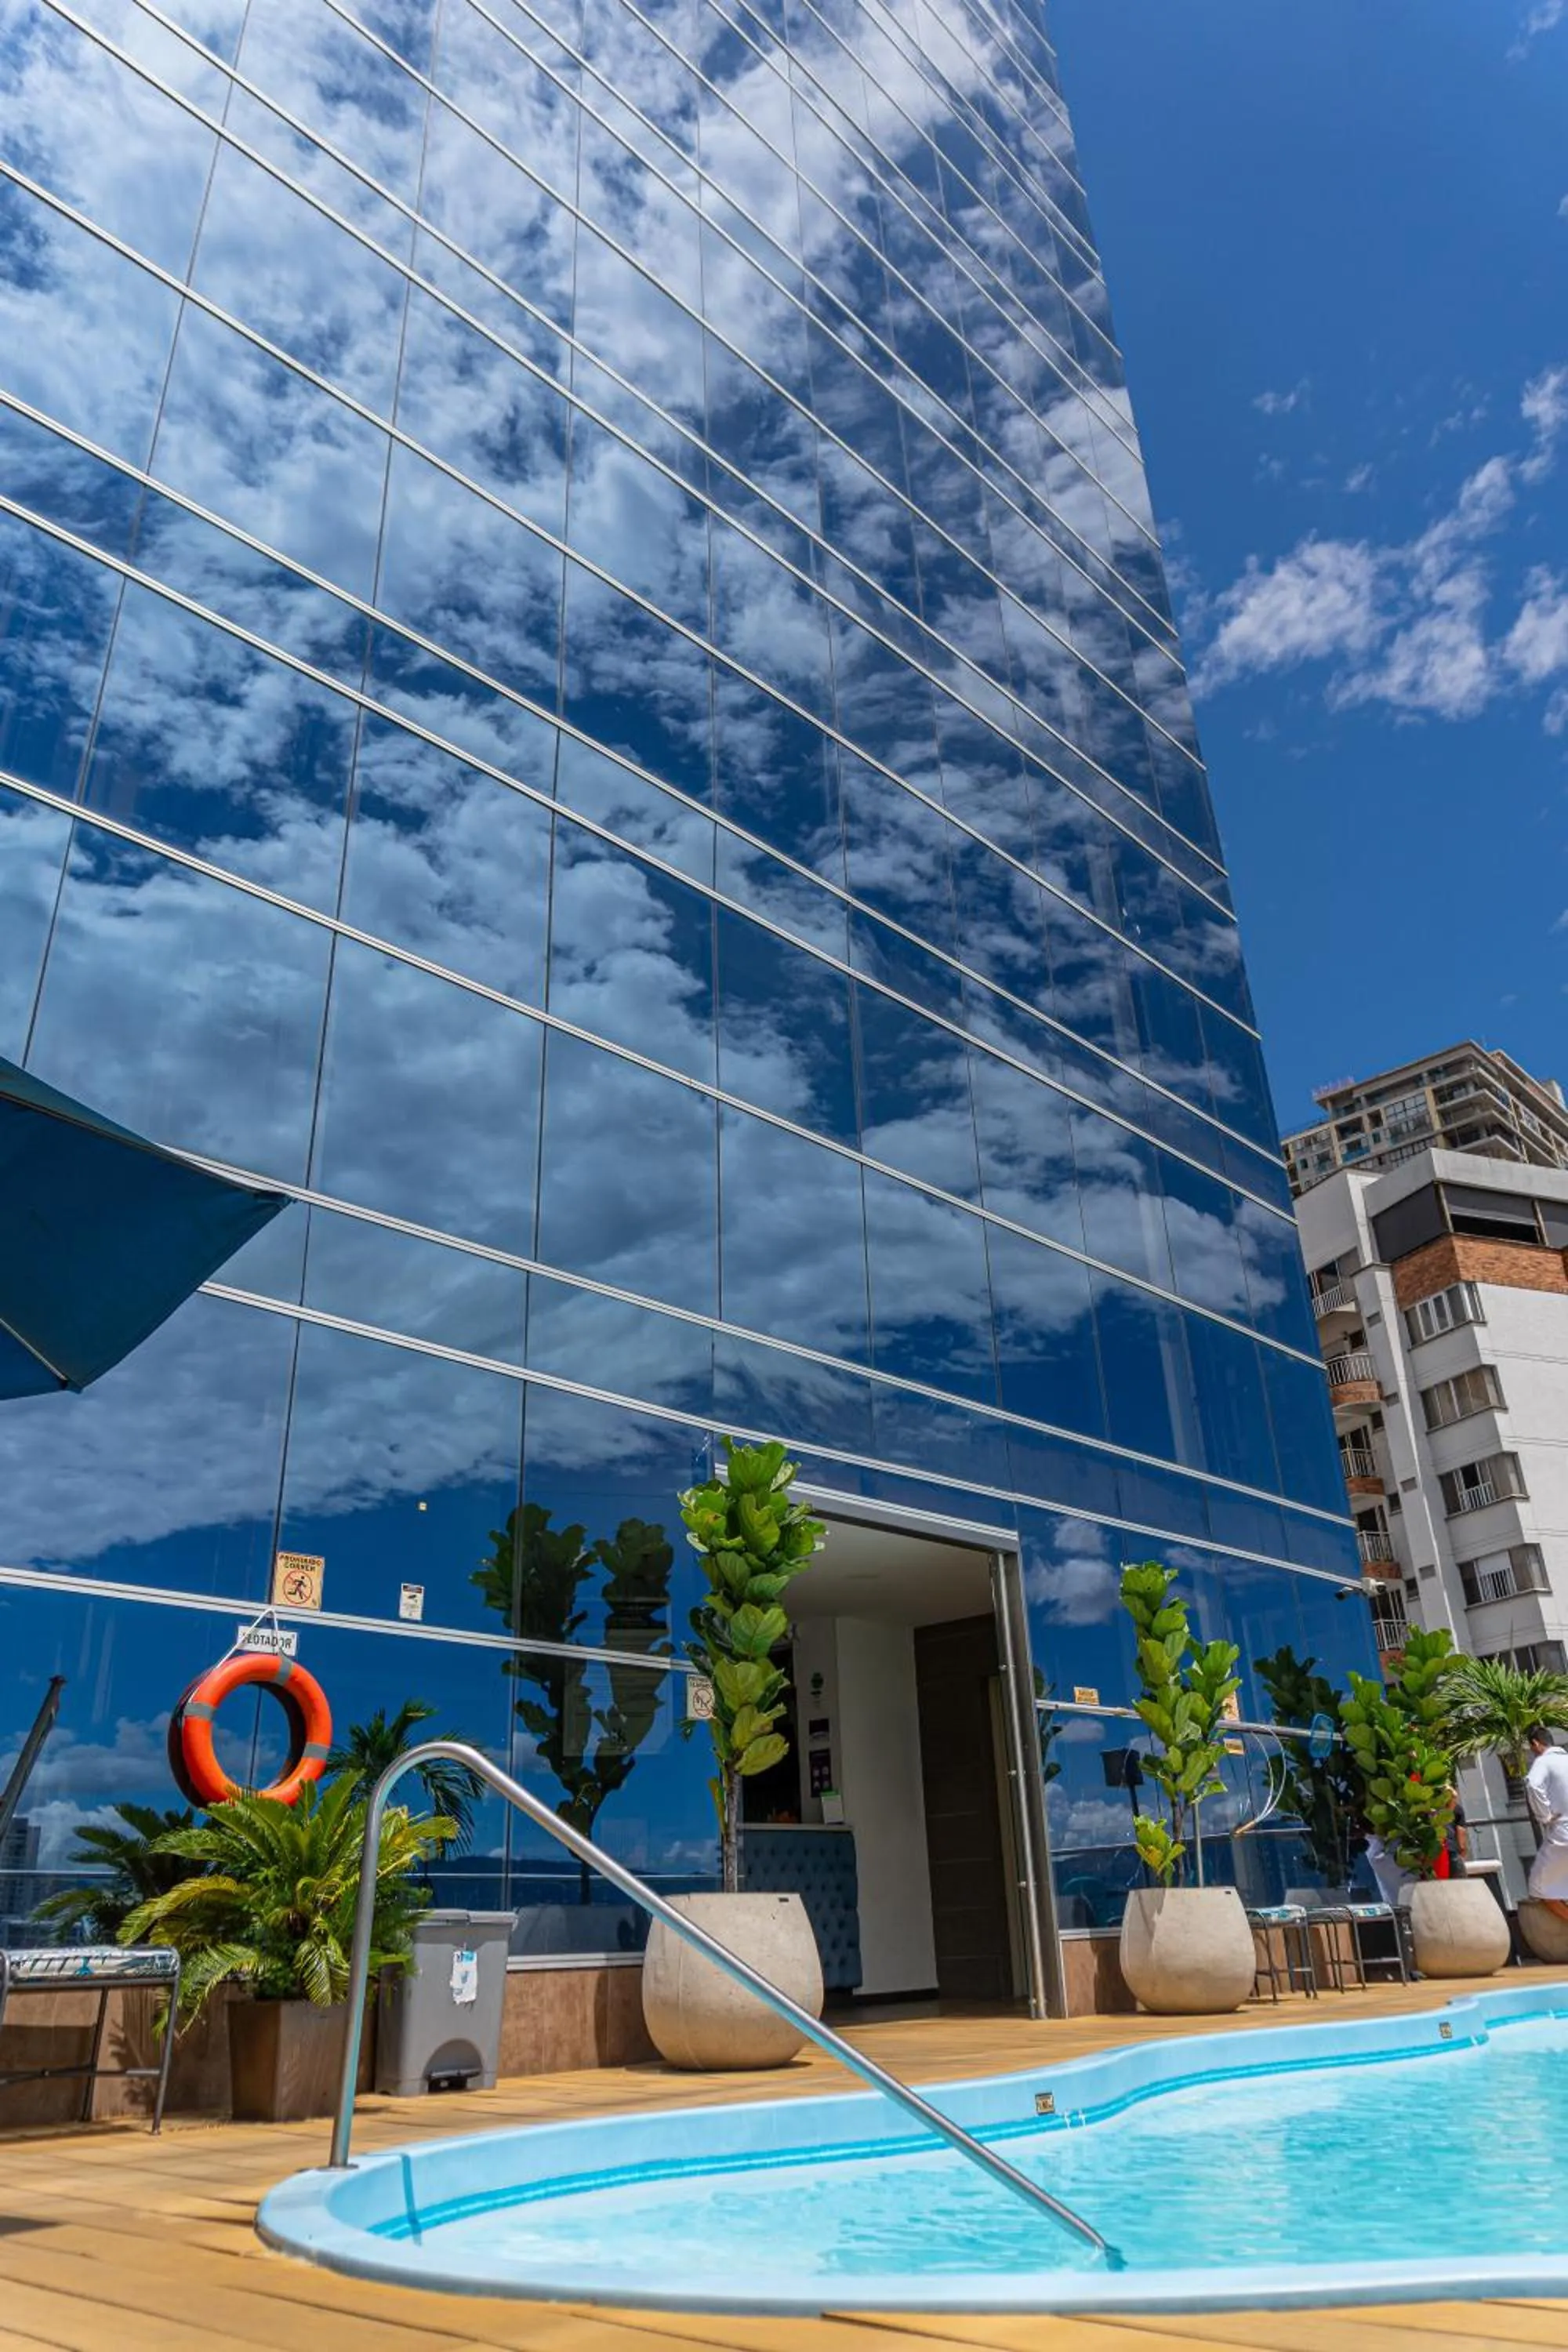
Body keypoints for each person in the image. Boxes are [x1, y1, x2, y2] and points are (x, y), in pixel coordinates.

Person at [1525, 1728, 1568, 1923]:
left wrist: (1545, 1816)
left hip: (1563, 1834)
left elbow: (1533, 1784)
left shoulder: (1543, 1762)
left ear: (1536, 1743)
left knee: (1539, 1887)